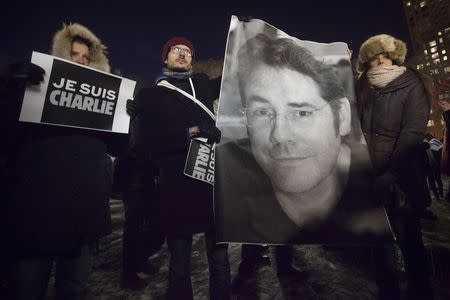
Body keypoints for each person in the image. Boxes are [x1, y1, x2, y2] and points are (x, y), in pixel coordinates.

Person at [215, 33, 390, 245]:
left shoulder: (376, 187)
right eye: (261, 112)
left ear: (342, 116)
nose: (279, 135)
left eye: (302, 113)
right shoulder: (229, 177)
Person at [5, 23, 124, 300]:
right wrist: (14, 89)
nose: (81, 60)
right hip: (36, 218)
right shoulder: (32, 90)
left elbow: (119, 147)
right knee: (27, 290)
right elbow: (8, 137)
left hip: (81, 218)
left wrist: (124, 115)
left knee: (74, 290)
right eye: (74, 54)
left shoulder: (101, 105)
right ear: (61, 54)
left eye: (86, 57)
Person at [130, 36, 230, 300]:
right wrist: (192, 131)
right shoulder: (151, 95)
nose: (183, 54)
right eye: (176, 50)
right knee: (180, 266)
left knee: (220, 262)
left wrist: (244, 38)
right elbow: (148, 143)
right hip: (177, 188)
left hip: (211, 185)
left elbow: (237, 75)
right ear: (165, 57)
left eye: (187, 51)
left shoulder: (203, 85)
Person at [356, 34, 433, 299]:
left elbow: (412, 134)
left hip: (402, 182)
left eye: (384, 57)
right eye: (374, 59)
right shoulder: (363, 86)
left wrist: (390, 174)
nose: (380, 62)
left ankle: (421, 291)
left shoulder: (413, 84)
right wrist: (340, 65)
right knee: (379, 246)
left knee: (410, 243)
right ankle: (387, 292)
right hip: (370, 179)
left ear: (394, 58)